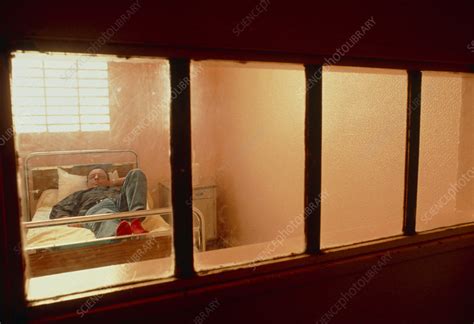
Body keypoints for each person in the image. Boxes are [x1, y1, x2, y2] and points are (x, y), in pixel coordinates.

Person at [50, 167, 148, 238]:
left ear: (108, 180)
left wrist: (112, 182)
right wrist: (68, 220)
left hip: (120, 206)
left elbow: (133, 182)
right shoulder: (80, 194)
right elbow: (58, 208)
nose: (96, 178)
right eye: (92, 177)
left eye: (101, 176)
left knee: (136, 172)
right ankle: (117, 235)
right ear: (87, 182)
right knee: (105, 213)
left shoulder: (116, 189)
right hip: (96, 210)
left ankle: (136, 220)